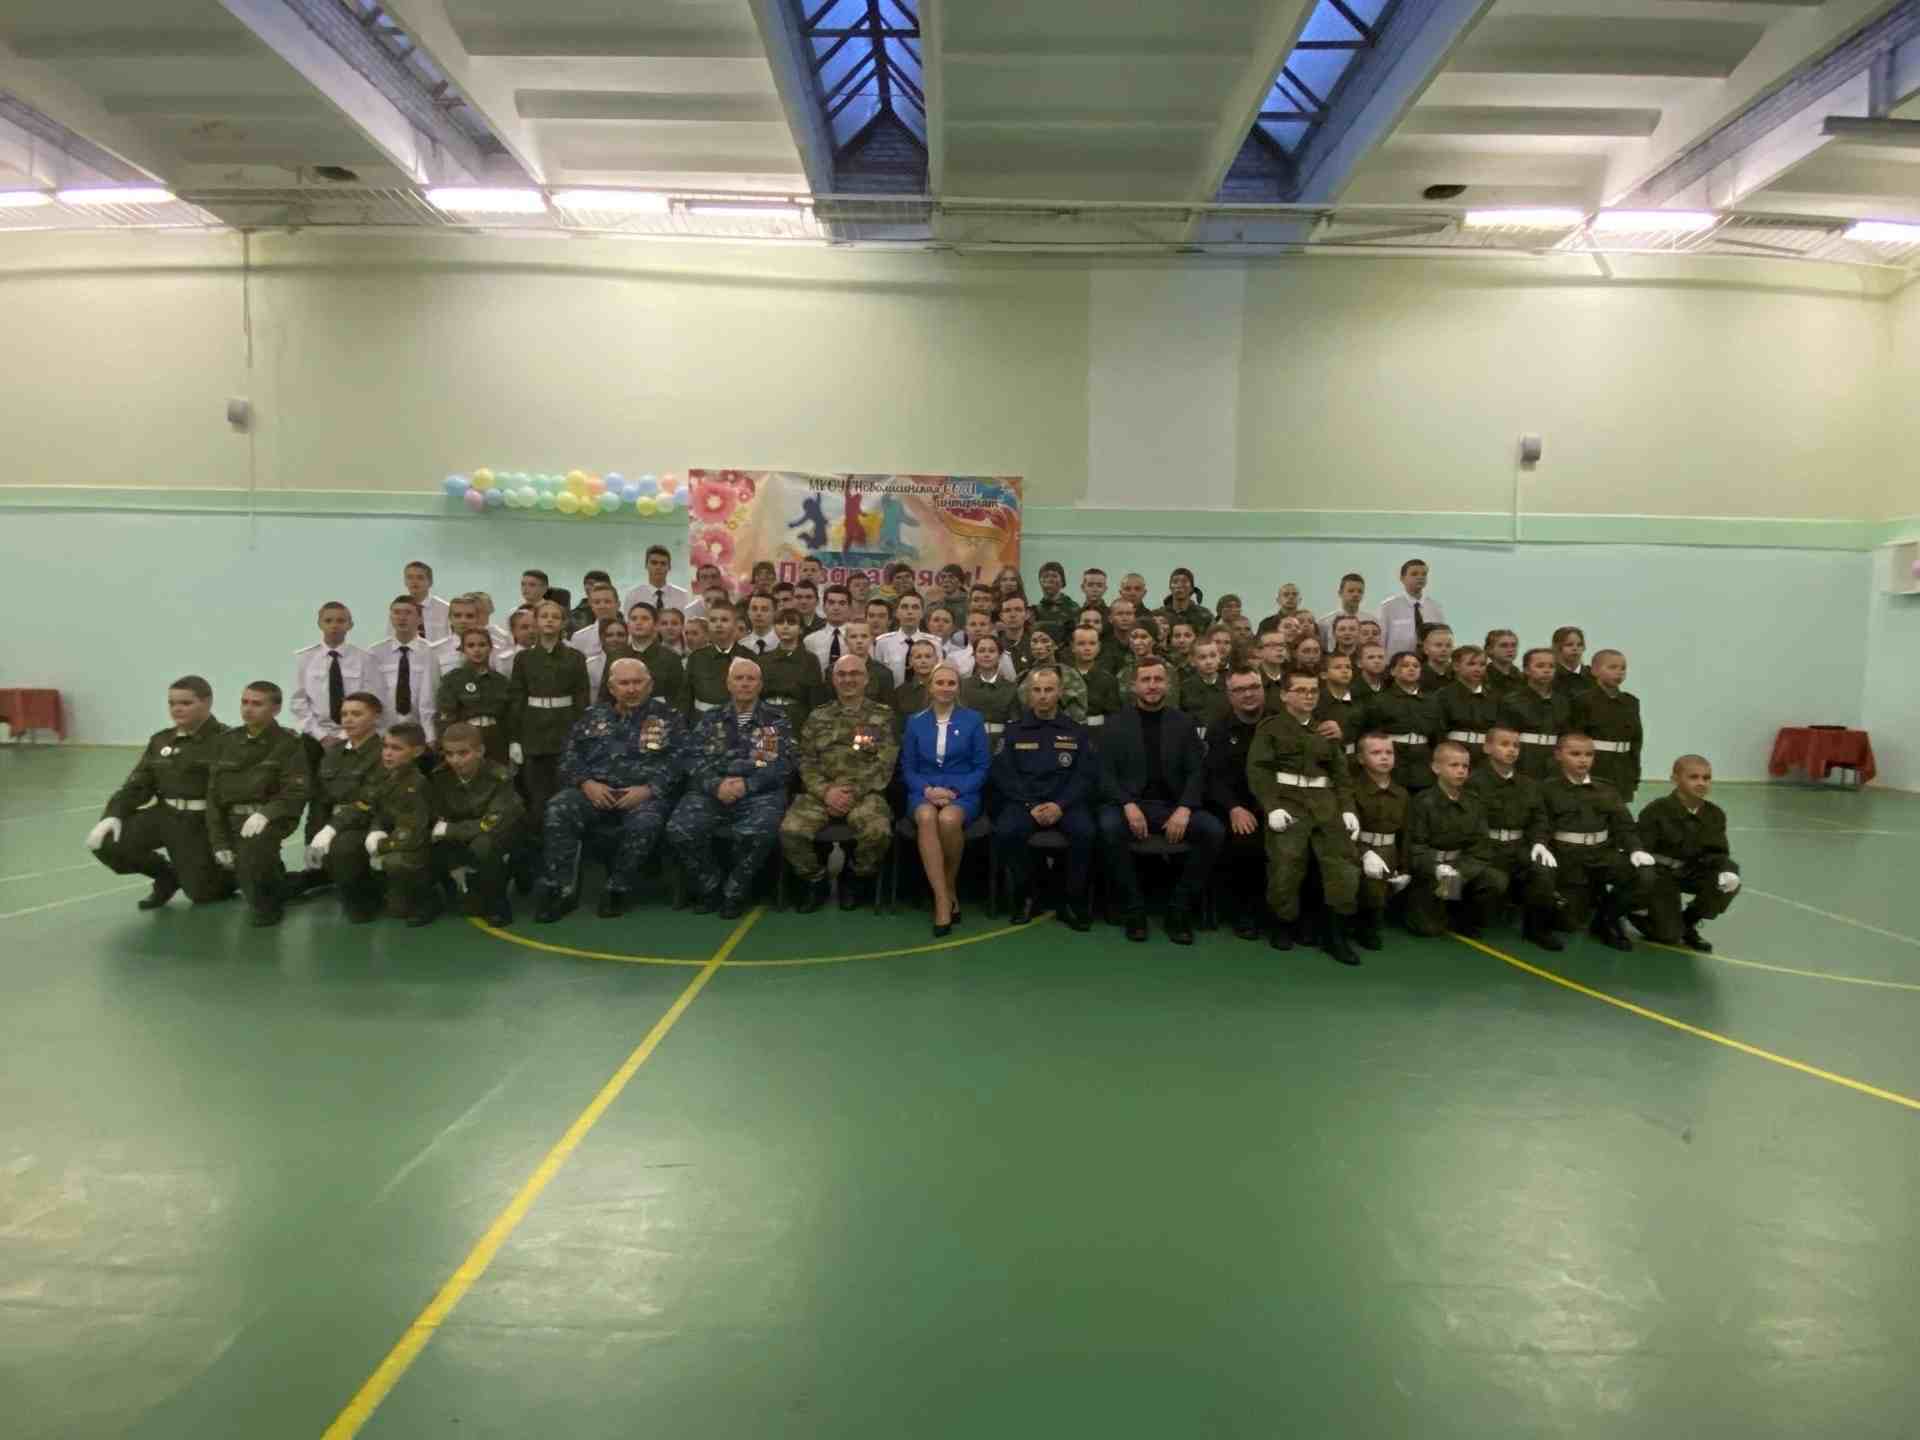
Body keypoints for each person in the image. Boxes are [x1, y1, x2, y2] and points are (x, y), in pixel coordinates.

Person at [537, 658, 686, 923]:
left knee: (646, 821)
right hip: (595, 792)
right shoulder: (592, 716)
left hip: (643, 796)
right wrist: (586, 784)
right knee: (559, 808)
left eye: (637, 682)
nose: (631, 689)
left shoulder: (669, 718)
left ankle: (618, 887)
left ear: (650, 685)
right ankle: (560, 889)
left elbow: (681, 760)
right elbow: (569, 756)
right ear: (611, 687)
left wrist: (649, 789)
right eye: (624, 683)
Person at [1097, 657, 1222, 945]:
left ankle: (1179, 909)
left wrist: (1185, 808)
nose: (1152, 685)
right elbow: (1105, 774)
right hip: (1129, 804)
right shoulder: (1115, 724)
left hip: (1173, 806)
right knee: (1108, 828)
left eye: (1157, 679)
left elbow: (1196, 771)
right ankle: (1134, 910)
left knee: (1213, 831)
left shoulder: (1184, 723)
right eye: (1146, 680)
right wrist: (1127, 804)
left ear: (1167, 685)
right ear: (1134, 685)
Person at [87, 674, 231, 910]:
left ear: (207, 702)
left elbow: (238, 793)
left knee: (203, 893)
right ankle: (167, 876)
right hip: (166, 815)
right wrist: (113, 815)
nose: (177, 709)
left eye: (186, 703)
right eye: (172, 703)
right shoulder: (161, 741)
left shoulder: (227, 741)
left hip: (202, 823)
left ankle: (236, 875)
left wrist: (227, 839)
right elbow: (138, 784)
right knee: (106, 842)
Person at [1247, 670, 1362, 963]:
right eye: (1300, 690)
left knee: (1343, 866)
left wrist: (1348, 808)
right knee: (1286, 863)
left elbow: (1341, 774)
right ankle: (1283, 924)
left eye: (1313, 690)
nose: (1308, 695)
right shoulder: (1271, 728)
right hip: (1289, 803)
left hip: (1325, 804)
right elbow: (1259, 770)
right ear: (1284, 695)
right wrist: (1271, 806)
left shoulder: (1326, 730)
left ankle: (1336, 934)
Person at [666, 657, 793, 918]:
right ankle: (710, 885)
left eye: (751, 679)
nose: (745, 684)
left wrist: (748, 784)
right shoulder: (710, 718)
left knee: (761, 831)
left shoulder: (776, 719)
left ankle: (735, 891)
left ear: (760, 685)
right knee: (679, 828)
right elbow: (690, 757)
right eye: (739, 678)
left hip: (759, 792)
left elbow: (784, 763)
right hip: (713, 790)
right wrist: (716, 785)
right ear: (728, 683)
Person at [781, 654, 900, 913]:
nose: (848, 679)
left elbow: (885, 763)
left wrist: (850, 793)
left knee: (878, 831)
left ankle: (854, 878)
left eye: (855, 673)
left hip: (864, 793)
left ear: (866, 679)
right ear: (833, 680)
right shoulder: (817, 716)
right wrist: (826, 792)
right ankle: (816, 880)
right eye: (842, 674)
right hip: (821, 793)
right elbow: (806, 761)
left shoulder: (882, 716)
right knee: (791, 831)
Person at [993, 665, 1096, 929]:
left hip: (1065, 803)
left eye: (1049, 690)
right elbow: (1005, 774)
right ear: (1029, 695)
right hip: (1025, 802)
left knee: (1085, 832)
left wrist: (1060, 805)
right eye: (1037, 690)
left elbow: (1084, 775)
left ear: (1060, 692)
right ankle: (1027, 896)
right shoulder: (1014, 731)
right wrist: (1031, 805)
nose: (1042, 696)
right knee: (1006, 831)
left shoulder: (1076, 731)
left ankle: (1071, 900)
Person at [205, 680, 310, 927]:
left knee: (252, 859)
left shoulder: (288, 743)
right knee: (206, 882)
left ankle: (269, 907)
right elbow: (214, 795)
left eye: (257, 704)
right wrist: (219, 841)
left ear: (276, 709)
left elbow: (296, 791)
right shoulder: (226, 741)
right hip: (232, 818)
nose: (248, 709)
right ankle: (288, 881)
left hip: (270, 819)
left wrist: (266, 813)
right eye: (245, 702)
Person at [1538, 732, 1656, 951]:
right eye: (1575, 754)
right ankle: (1588, 899)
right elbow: (1540, 824)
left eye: (1589, 754)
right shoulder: (1546, 790)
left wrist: (1635, 849)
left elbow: (1623, 825)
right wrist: (1541, 845)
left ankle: (1607, 919)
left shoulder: (1607, 790)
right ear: (1558, 755)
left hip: (1601, 855)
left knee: (1644, 875)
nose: (1583, 760)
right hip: (1568, 858)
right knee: (1568, 923)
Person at [313, 720, 436, 925]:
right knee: (343, 847)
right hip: (388, 838)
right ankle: (374, 895)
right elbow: (363, 804)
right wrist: (331, 828)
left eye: (396, 748)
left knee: (396, 869)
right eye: (385, 746)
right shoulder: (383, 776)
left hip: (414, 846)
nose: (387, 753)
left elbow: (413, 833)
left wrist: (380, 846)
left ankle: (428, 900)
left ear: (416, 752)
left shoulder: (417, 784)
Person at [902, 661, 991, 934]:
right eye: (939, 682)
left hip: (962, 791)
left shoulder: (973, 720)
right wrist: (928, 791)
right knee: (927, 816)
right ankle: (943, 899)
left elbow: (982, 767)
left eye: (951, 683)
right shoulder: (914, 722)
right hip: (923, 791)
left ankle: (949, 887)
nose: (945, 687)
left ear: (958, 688)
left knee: (949, 820)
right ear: (930, 687)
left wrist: (954, 791)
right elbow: (908, 767)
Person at [506, 598, 592, 877]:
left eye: (555, 617)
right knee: (537, 802)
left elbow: (581, 699)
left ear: (563, 622)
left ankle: (567, 861)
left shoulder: (575, 657)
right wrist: (515, 738)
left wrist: (580, 737)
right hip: (533, 735)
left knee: (564, 799)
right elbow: (517, 699)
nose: (549, 621)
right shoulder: (523, 659)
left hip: (565, 731)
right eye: (544, 616)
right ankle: (540, 863)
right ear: (536, 621)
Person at [292, 601, 386, 836]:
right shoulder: (305, 658)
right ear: (319, 623)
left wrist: (346, 736)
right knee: (316, 797)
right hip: (316, 738)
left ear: (350, 625)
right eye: (329, 620)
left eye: (341, 621)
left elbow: (373, 699)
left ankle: (351, 841)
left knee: (352, 791)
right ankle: (313, 848)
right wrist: (322, 736)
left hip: (354, 738)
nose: (334, 625)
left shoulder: (364, 659)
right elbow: (299, 702)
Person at [1468, 723, 1563, 952]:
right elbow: (1468, 822)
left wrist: (1539, 843)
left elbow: (1539, 818)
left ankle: (1536, 929)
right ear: (1487, 748)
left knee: (1543, 870)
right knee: (1494, 881)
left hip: (1518, 846)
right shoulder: (1473, 783)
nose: (1511, 750)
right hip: (1485, 848)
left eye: (1516, 746)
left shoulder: (1529, 785)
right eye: (1504, 744)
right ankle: (1466, 916)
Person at [1635, 755, 1740, 952]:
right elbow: (1640, 851)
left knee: (1728, 880)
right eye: (1693, 777)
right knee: (1668, 936)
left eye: (1706, 778)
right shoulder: (1656, 810)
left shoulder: (1714, 814)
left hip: (1691, 871)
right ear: (1675, 779)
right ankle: (1638, 911)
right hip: (1661, 875)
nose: (1701, 783)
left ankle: (1688, 922)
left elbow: (1718, 853)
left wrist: (1727, 872)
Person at [1204, 665, 1278, 941]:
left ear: (1263, 689)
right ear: (1229, 695)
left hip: (1276, 802)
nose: (1248, 694)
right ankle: (1244, 911)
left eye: (1254, 687)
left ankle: (1286, 914)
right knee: (1246, 842)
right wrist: (1234, 808)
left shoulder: (1279, 722)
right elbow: (1212, 777)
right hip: (1236, 804)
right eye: (1240, 689)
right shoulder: (1219, 729)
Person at [1404, 741, 1508, 939]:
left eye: (1465, 766)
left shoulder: (1474, 803)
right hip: (1431, 872)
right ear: (1436, 768)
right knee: (1429, 930)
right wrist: (1436, 868)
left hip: (1460, 869)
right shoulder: (1422, 802)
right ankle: (1436, 908)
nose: (1461, 771)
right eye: (1454, 765)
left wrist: (1459, 873)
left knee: (1496, 880)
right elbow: (1415, 848)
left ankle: (1461, 913)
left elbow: (1480, 848)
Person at [428, 721, 524, 926]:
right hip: (464, 835)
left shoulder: (499, 777)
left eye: (463, 753)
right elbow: (439, 817)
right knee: (432, 842)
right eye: (449, 754)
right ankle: (457, 888)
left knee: (483, 845)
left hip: (501, 835)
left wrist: (450, 829)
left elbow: (491, 823)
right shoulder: (440, 777)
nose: (455, 760)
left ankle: (499, 903)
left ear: (480, 751)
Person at [295, 689, 385, 892]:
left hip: (367, 823)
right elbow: (319, 801)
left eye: (356, 714)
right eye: (344, 714)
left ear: (375, 717)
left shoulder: (385, 752)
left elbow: (371, 801)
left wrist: (330, 830)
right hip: (334, 823)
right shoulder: (333, 753)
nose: (348, 720)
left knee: (343, 851)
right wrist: (312, 838)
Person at [1348, 732, 1412, 952]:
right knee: (1367, 888)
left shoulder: (1402, 793)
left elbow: (1406, 833)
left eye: (1389, 752)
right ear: (1360, 758)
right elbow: (1347, 831)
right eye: (1376, 753)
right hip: (1359, 849)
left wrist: (1405, 867)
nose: (1384, 757)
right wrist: (1364, 853)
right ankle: (1364, 925)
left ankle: (1373, 918)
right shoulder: (1352, 790)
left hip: (1390, 850)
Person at [1365, 651, 1441, 793]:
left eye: (1416, 666)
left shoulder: (1431, 701)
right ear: (1393, 671)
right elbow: (1372, 734)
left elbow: (1437, 736)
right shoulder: (1380, 700)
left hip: (1423, 761)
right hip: (1393, 759)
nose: (1411, 669)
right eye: (1405, 665)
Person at [1573, 649, 1643, 801]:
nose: (1619, 672)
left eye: (1623, 668)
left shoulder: (1631, 702)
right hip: (1595, 767)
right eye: (1612, 667)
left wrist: (1634, 774)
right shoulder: (1583, 700)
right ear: (1595, 671)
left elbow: (1636, 741)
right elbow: (1575, 738)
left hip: (1623, 769)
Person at [434, 628, 511, 764]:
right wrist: (445, 743)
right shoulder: (453, 680)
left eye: (482, 645)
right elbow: (446, 715)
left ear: (490, 648)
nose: (477, 650)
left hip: (496, 738)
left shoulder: (501, 681)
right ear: (463, 650)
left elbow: (509, 716)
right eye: (471, 645)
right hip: (465, 739)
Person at [371, 595, 440, 744]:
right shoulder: (375, 653)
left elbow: (431, 696)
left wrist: (430, 736)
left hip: (419, 732)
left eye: (408, 613)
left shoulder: (431, 652)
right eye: (396, 613)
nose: (401, 618)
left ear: (420, 619)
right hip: (383, 732)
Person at [1497, 648, 1570, 781]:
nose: (1547, 670)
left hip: (1555, 759)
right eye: (1540, 666)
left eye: (1551, 666)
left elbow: (1566, 735)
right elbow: (1504, 737)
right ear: (1526, 670)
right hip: (1524, 758)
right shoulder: (1512, 701)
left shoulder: (1563, 701)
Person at [686, 599, 758, 714]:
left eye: (724, 620)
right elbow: (686, 697)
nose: (718, 624)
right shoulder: (696, 658)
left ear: (735, 625)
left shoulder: (749, 657)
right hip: (702, 720)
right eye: (713, 620)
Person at [757, 607, 821, 732]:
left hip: (798, 718)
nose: (785, 627)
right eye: (780, 623)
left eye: (791, 623)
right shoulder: (763, 659)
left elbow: (815, 699)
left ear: (801, 629)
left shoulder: (810, 660)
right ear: (774, 627)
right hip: (766, 717)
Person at [1438, 645, 1498, 766]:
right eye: (1471, 664)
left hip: (1485, 756)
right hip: (1454, 754)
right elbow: (1438, 732)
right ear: (1456, 666)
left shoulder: (1494, 697)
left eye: (1482, 664)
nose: (1477, 669)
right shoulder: (1444, 696)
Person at [1377, 558, 1445, 658]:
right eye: (1414, 574)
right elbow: (1381, 639)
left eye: (1424, 574)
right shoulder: (1388, 607)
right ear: (1402, 578)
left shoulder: (1435, 607)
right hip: (1397, 663)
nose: (1420, 577)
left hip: (1428, 663)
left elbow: (1442, 637)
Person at [960, 633, 1017, 742]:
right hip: (969, 740)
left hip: (1001, 742)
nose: (986, 655)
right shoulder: (963, 686)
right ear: (974, 655)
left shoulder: (1011, 688)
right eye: (981, 651)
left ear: (1000, 655)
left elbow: (1015, 722)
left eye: (992, 651)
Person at [1068, 624, 1122, 732]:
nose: (1087, 648)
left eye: (1092, 643)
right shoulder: (1062, 677)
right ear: (1072, 647)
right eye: (1081, 643)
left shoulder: (1109, 680)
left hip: (1099, 734)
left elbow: (1113, 717)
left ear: (1099, 647)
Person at [1312, 651, 1363, 756]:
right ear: (1324, 675)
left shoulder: (1360, 699)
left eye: (1348, 667)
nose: (1345, 671)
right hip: (1325, 756)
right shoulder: (1316, 701)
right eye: (1337, 667)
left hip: (1355, 756)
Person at [874, 591, 931, 684]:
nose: (910, 612)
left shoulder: (934, 643)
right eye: (904, 607)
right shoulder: (882, 643)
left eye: (915, 607)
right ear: (896, 612)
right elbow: (878, 677)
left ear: (922, 613)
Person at [622, 543, 692, 618]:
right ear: (646, 565)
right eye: (654, 563)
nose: (658, 567)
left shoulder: (682, 596)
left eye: (663, 564)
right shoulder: (633, 595)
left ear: (669, 567)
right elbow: (628, 622)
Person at [1180, 637, 1229, 738]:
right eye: (1202, 657)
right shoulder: (1186, 688)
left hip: (1226, 737)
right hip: (1198, 738)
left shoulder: (1230, 683)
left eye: (1213, 656)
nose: (1208, 662)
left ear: (1219, 657)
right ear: (1193, 661)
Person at [803, 584, 853, 672]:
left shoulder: (859, 638)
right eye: (831, 602)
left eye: (842, 603)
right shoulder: (810, 640)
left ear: (849, 608)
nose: (836, 608)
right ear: (824, 607)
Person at [399, 560, 451, 644]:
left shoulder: (446, 609)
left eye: (420, 578)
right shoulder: (398, 609)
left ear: (430, 582)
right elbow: (391, 639)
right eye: (410, 577)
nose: (414, 581)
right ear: (405, 582)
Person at [568, 584, 623, 659]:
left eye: (607, 601)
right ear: (592, 607)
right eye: (597, 602)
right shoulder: (579, 638)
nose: (602, 606)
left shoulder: (631, 633)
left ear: (618, 605)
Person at [1318, 573, 1371, 648]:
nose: (1356, 594)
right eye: (1351, 591)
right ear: (1340, 593)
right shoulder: (1325, 623)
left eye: (1360, 591)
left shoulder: (1371, 620)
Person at [1032, 560, 1079, 643]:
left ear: (1062, 581)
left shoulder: (1073, 608)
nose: (1050, 579)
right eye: (1045, 576)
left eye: (1054, 576)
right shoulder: (1035, 611)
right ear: (1040, 581)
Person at [1157, 566, 1212, 634]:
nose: (1179, 585)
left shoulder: (1204, 615)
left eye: (1184, 581)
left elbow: (1212, 637)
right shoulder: (1160, 615)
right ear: (1170, 587)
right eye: (1175, 582)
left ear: (1191, 588)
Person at [1551, 626, 1593, 698]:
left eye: (1579, 645)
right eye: (1569, 645)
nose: (1575, 648)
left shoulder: (1593, 675)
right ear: (1557, 647)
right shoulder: (1551, 675)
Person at [1416, 625, 1455, 694]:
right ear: (1425, 649)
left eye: (1448, 645)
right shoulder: (1416, 675)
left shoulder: (1460, 674)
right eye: (1438, 645)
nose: (1444, 649)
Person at [1483, 629, 1522, 694]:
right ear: (1489, 649)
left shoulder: (1524, 678)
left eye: (1514, 645)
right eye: (1504, 645)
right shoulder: (1481, 677)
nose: (1510, 650)